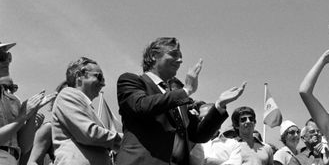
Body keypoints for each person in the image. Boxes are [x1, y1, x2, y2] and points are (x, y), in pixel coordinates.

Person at [115, 37, 246, 165]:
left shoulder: (176, 98)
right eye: (174, 54)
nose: (180, 60)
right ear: (154, 55)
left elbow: (198, 135)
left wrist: (219, 106)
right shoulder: (131, 81)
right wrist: (186, 91)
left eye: (181, 56)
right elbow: (141, 106)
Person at [51, 57, 122, 164]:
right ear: (79, 75)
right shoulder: (67, 95)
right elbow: (89, 133)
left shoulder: (86, 107)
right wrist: (122, 139)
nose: (103, 84)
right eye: (99, 77)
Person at [1, 39, 57, 165]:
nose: (6, 61)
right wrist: (22, 118)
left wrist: (32, 113)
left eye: (7, 56)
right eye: (1, 57)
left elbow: (23, 146)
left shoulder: (14, 101)